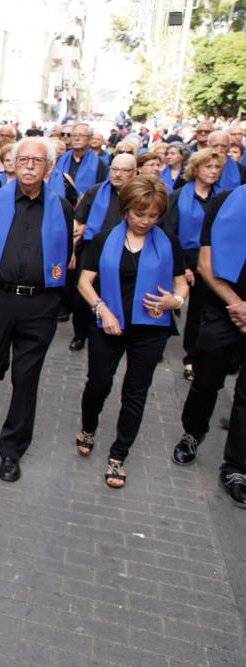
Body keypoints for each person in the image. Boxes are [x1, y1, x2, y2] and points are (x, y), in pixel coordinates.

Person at [0, 138, 74, 482]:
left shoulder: (63, 207)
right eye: (23, 159)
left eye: (37, 161)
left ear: (49, 168)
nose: (29, 165)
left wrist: (58, 302)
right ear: (12, 164)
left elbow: (65, 255)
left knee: (26, 379)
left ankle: (11, 450)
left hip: (40, 304)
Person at [76, 177, 187, 488]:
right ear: (126, 209)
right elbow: (84, 282)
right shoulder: (104, 239)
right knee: (98, 384)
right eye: (140, 214)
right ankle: (88, 427)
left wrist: (175, 300)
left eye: (153, 216)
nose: (146, 221)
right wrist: (103, 310)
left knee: (135, 393)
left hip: (150, 329)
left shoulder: (168, 243)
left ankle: (118, 455)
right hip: (108, 325)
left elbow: (181, 283)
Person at [171, 183, 246, 507]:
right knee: (206, 381)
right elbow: (205, 264)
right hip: (222, 306)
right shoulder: (225, 201)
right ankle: (193, 432)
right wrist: (238, 304)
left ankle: (237, 468)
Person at [162, 148, 223, 382]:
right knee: (194, 313)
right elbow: (170, 232)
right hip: (186, 261)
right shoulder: (178, 196)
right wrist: (183, 267)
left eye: (217, 167)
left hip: (214, 262)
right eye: (209, 166)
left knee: (209, 310)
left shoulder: (222, 198)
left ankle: (204, 357)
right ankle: (190, 359)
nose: (213, 171)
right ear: (196, 169)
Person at [67, 153, 139, 352]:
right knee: (82, 296)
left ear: (134, 173)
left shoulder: (140, 195)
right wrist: (72, 250)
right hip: (92, 250)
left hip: (126, 251)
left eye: (123, 171)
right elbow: (78, 221)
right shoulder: (96, 191)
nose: (117, 174)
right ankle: (80, 335)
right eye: (114, 169)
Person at [48, 122, 108, 205]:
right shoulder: (59, 160)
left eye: (80, 135)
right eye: (73, 135)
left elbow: (103, 192)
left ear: (89, 139)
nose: (76, 138)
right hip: (60, 207)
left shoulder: (100, 164)